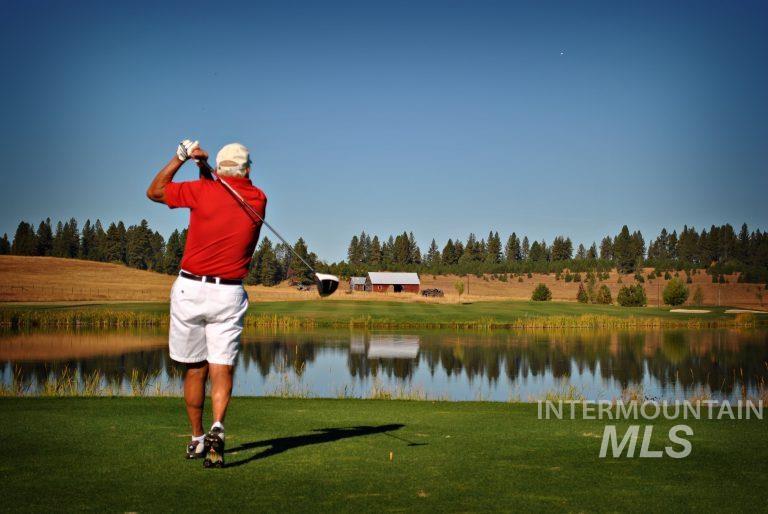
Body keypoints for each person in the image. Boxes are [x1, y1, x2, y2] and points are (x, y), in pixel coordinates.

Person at [147, 140, 266, 468]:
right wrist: (205, 170)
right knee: (221, 366)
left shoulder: (203, 192)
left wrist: (183, 157)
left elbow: (155, 191)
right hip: (228, 294)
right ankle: (217, 426)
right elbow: (226, 192)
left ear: (220, 168)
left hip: (190, 289)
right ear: (248, 170)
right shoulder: (257, 199)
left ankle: (198, 437)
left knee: (195, 369)